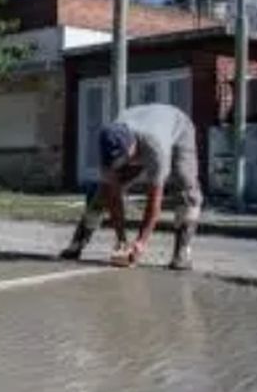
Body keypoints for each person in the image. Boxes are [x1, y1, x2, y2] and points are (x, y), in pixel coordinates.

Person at [60, 103, 202, 271]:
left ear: (132, 147)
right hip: (140, 129)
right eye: (115, 162)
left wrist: (141, 242)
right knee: (103, 193)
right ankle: (77, 243)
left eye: (122, 159)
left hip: (178, 129)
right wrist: (122, 241)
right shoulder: (107, 140)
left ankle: (182, 252)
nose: (119, 165)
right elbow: (113, 196)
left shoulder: (155, 148)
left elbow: (153, 202)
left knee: (186, 186)